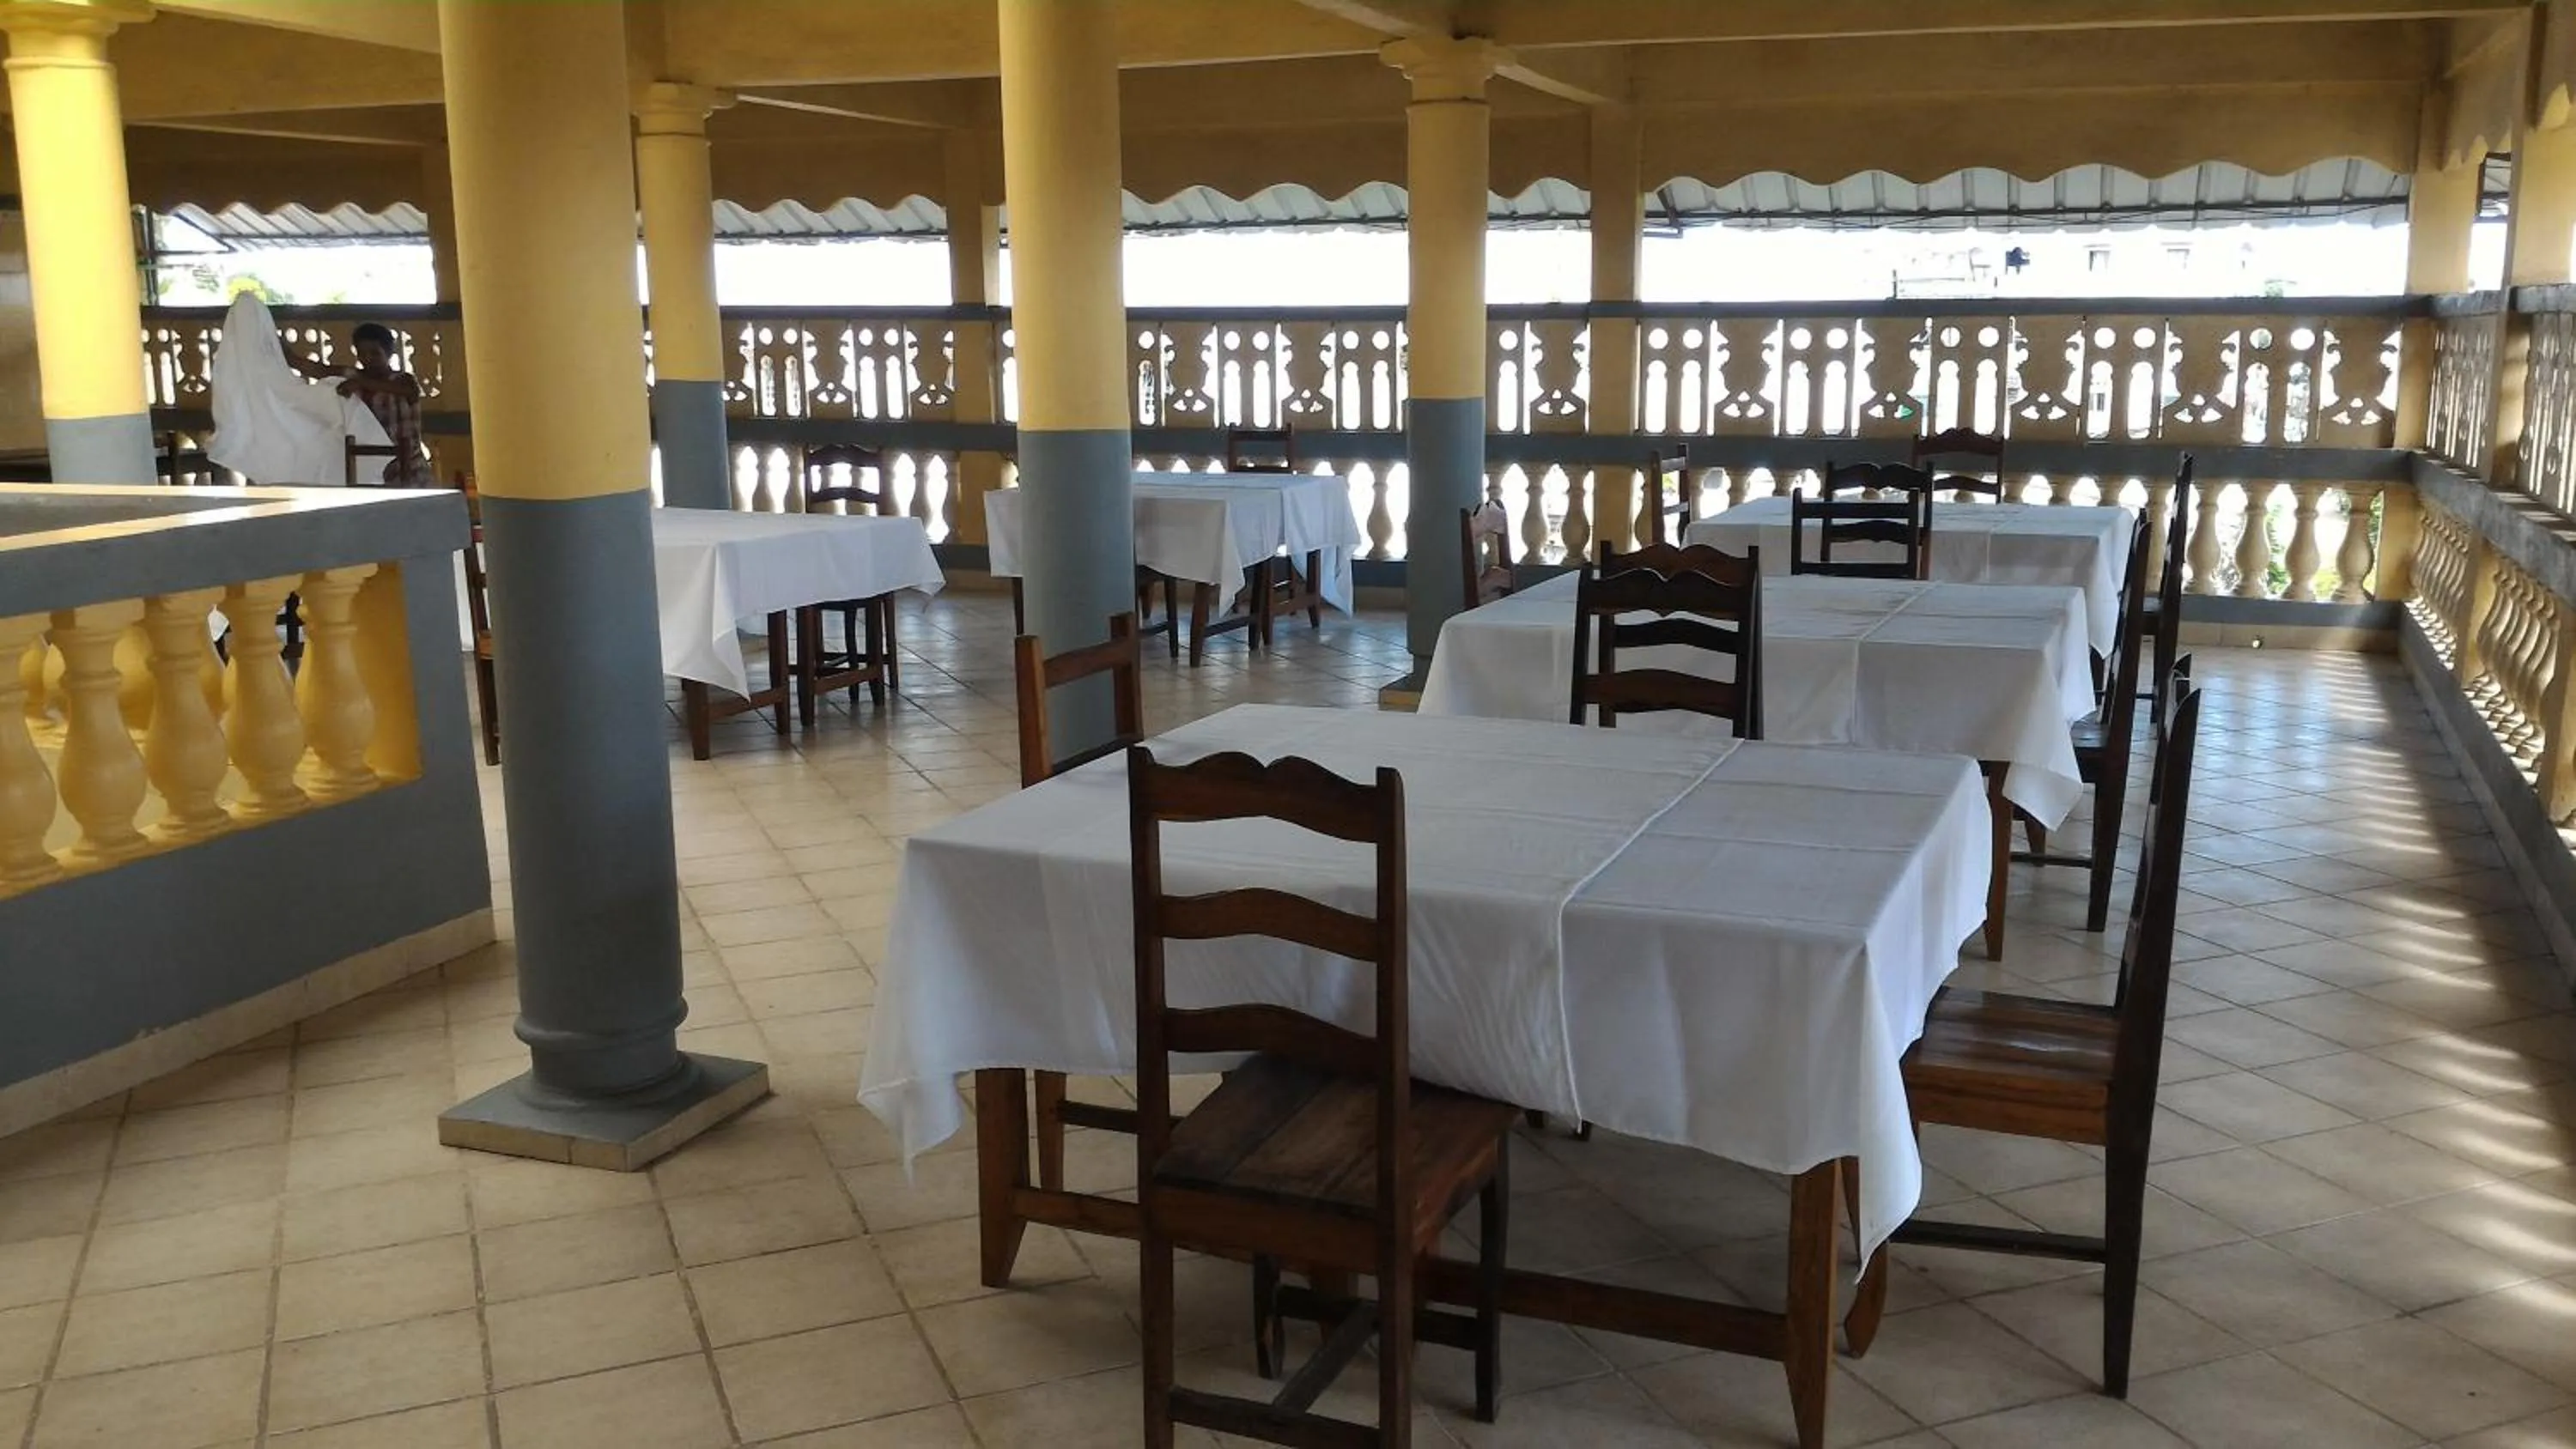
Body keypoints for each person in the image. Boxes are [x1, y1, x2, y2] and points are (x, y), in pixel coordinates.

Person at [293, 322, 434, 486]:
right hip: (368, 469)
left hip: (410, 469)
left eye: (375, 353)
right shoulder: (354, 376)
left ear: (389, 353)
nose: (367, 359)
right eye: (362, 353)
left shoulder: (404, 380)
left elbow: (405, 390)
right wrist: (279, 348)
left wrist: (360, 383)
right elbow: (317, 370)